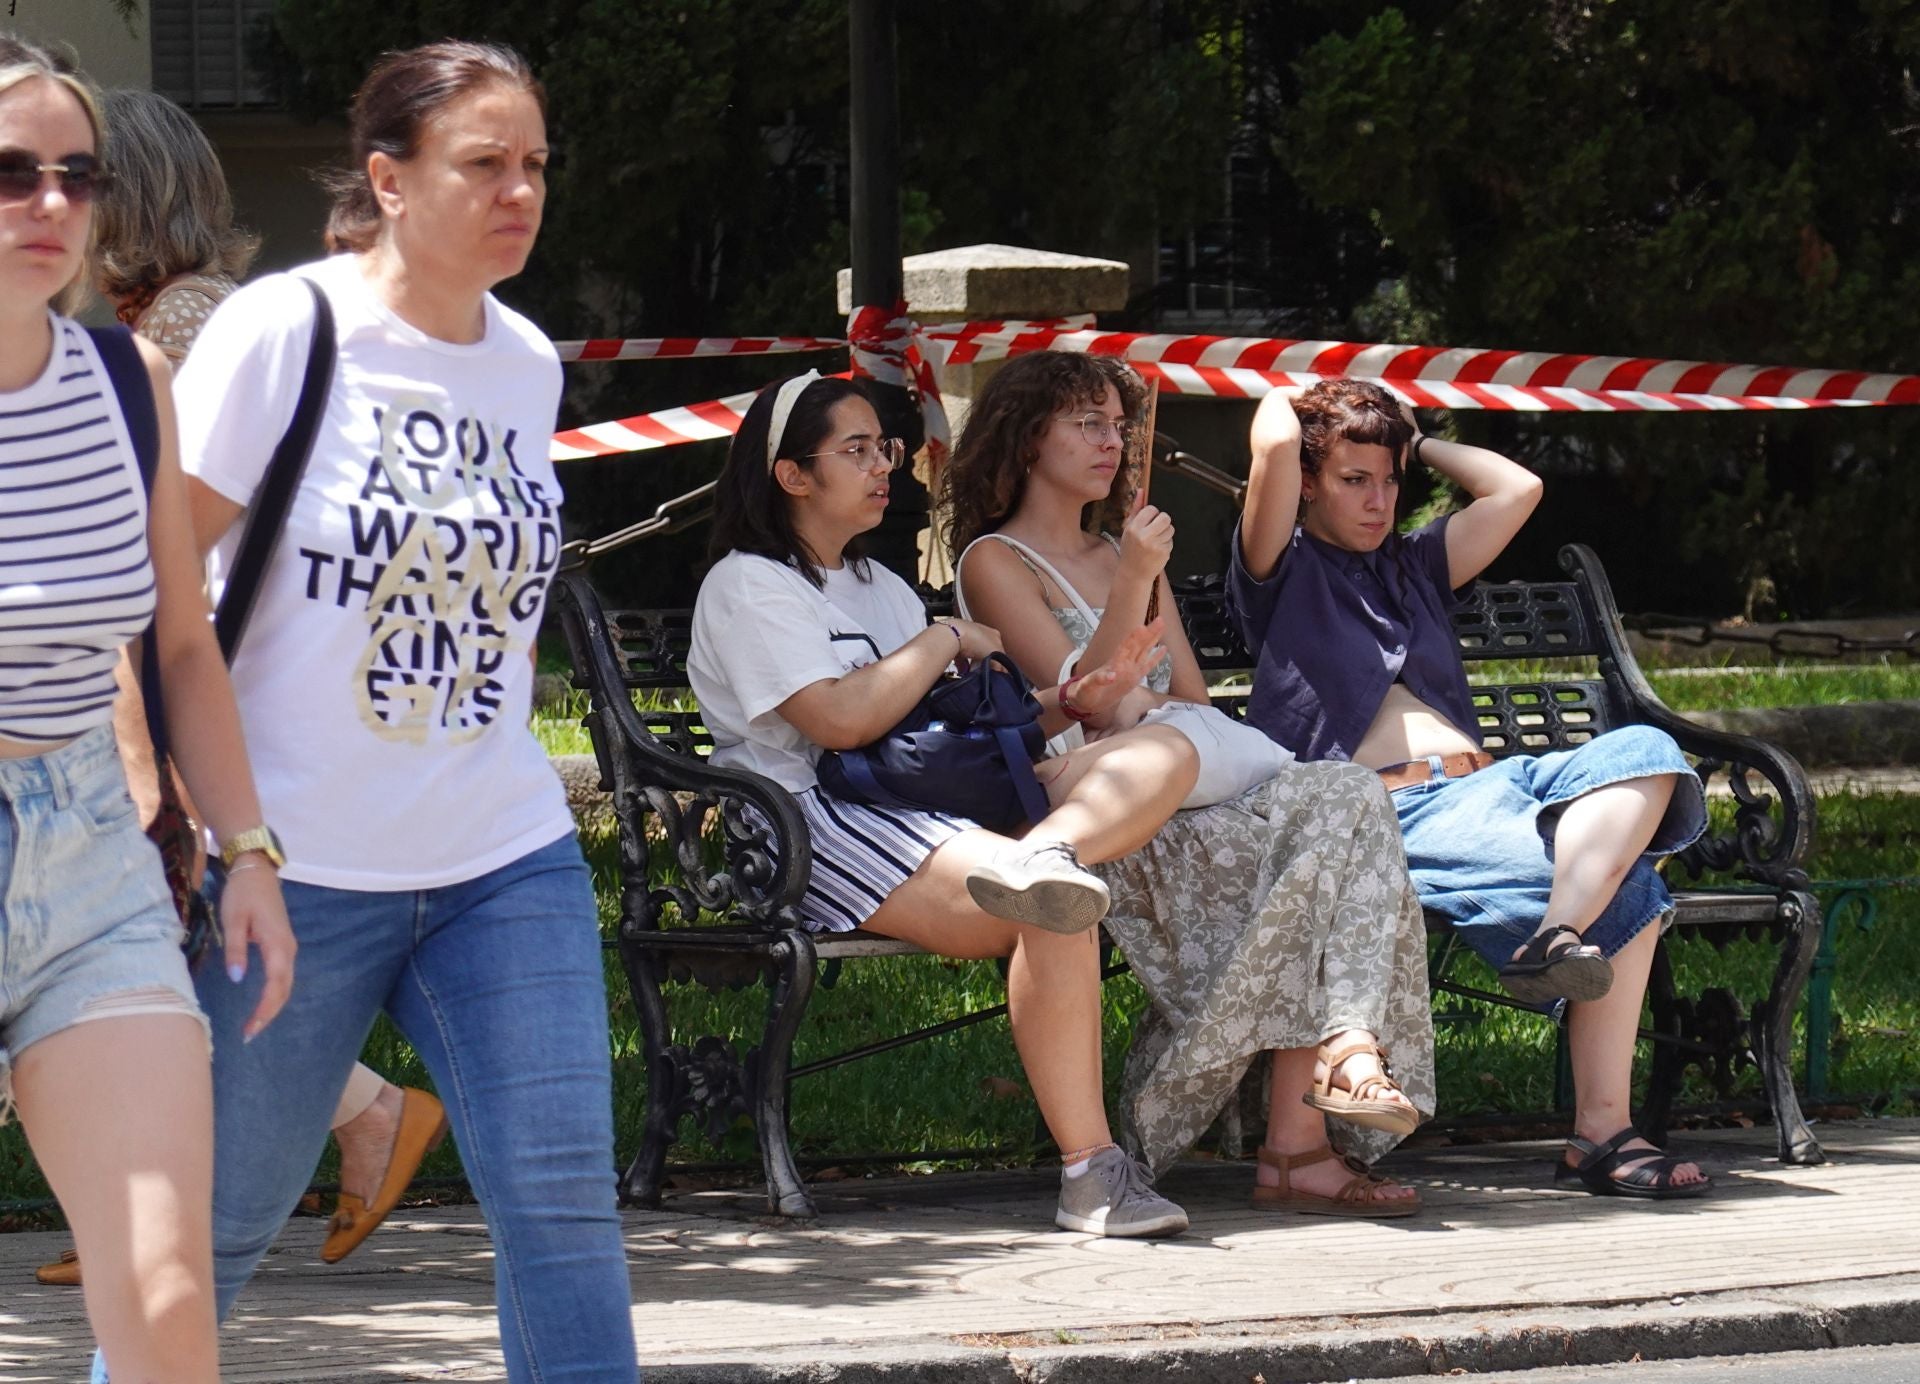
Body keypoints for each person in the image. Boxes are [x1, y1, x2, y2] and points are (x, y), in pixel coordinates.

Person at [138, 40, 636, 1381]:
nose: (519, 191)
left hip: (501, 856)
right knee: (216, 1236)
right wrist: (177, 802)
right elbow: (154, 586)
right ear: (389, 179)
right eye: (484, 163)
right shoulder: (282, 331)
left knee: (563, 1210)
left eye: (535, 165)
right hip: (291, 869)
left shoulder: (525, 363)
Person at [36, 86, 435, 1294]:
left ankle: (306, 1144)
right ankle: (162, 1201)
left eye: (81, 176)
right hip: (172, 664)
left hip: (210, 668)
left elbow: (201, 535)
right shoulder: (151, 321)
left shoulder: (195, 325)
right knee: (168, 930)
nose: (55, 204)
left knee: (176, 918)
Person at [689, 369, 1202, 1237]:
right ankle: (1093, 1176)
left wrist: (1074, 702)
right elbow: (840, 721)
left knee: (1165, 751)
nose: (884, 465)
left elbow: (949, 725)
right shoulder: (750, 585)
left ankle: (1049, 852)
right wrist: (942, 636)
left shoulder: (878, 586)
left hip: (917, 803)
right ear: (791, 474)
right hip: (804, 821)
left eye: (883, 448)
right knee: (1055, 903)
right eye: (857, 450)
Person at [944, 350, 1435, 1216]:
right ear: (1027, 440)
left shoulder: (1122, 546)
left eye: (1117, 423)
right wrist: (1133, 581)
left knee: (1349, 799)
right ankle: (1301, 1134)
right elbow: (1078, 706)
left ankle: (1340, 1059)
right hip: (1116, 812)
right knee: (1325, 846)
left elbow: (1190, 705)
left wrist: (1136, 584)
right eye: (1086, 423)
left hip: (1198, 780)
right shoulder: (996, 560)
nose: (1112, 440)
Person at [1229, 378, 1713, 1200]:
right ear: (1308, 483)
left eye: (1390, 482)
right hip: (1389, 808)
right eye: (1354, 480)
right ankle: (1603, 1135)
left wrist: (1408, 441)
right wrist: (1293, 394)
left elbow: (1518, 488)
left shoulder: (1416, 562)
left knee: (1650, 749)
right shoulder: (1276, 569)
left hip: (1500, 783)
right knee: (1632, 886)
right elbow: (1274, 442)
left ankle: (1555, 935)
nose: (1380, 500)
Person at [0, 34, 294, 1380]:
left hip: (89, 870)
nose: (51, 206)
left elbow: (182, 644)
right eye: (10, 173)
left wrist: (244, 849)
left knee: (169, 1300)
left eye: (77, 174)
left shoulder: (129, 385)